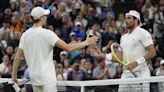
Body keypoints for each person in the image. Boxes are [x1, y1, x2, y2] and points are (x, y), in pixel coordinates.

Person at [11, 6, 99, 92]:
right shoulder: (48, 34)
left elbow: (17, 58)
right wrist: (86, 42)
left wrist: (14, 77)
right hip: (47, 79)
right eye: (44, 16)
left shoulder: (25, 35)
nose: (45, 18)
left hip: (34, 78)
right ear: (41, 18)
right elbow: (68, 48)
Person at [90, 10, 156, 92]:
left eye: (129, 18)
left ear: (136, 20)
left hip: (141, 74)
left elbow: (152, 52)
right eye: (125, 18)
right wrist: (103, 55)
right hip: (126, 75)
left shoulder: (143, 33)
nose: (126, 21)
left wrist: (137, 62)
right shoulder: (123, 37)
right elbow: (120, 58)